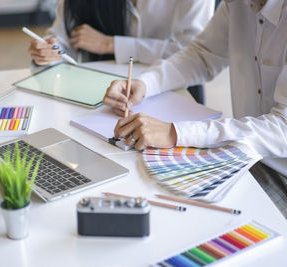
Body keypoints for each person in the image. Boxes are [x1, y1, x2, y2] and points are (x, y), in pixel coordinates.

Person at [103, 0, 287, 217]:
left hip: (278, 173)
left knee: (190, 216)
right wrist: (145, 83)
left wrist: (175, 133)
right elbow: (202, 55)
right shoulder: (237, 4)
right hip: (243, 156)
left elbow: (282, 129)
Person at [27, 0, 214, 104]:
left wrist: (111, 45)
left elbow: (194, 51)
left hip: (175, 91)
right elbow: (61, 40)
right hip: (100, 95)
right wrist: (46, 55)